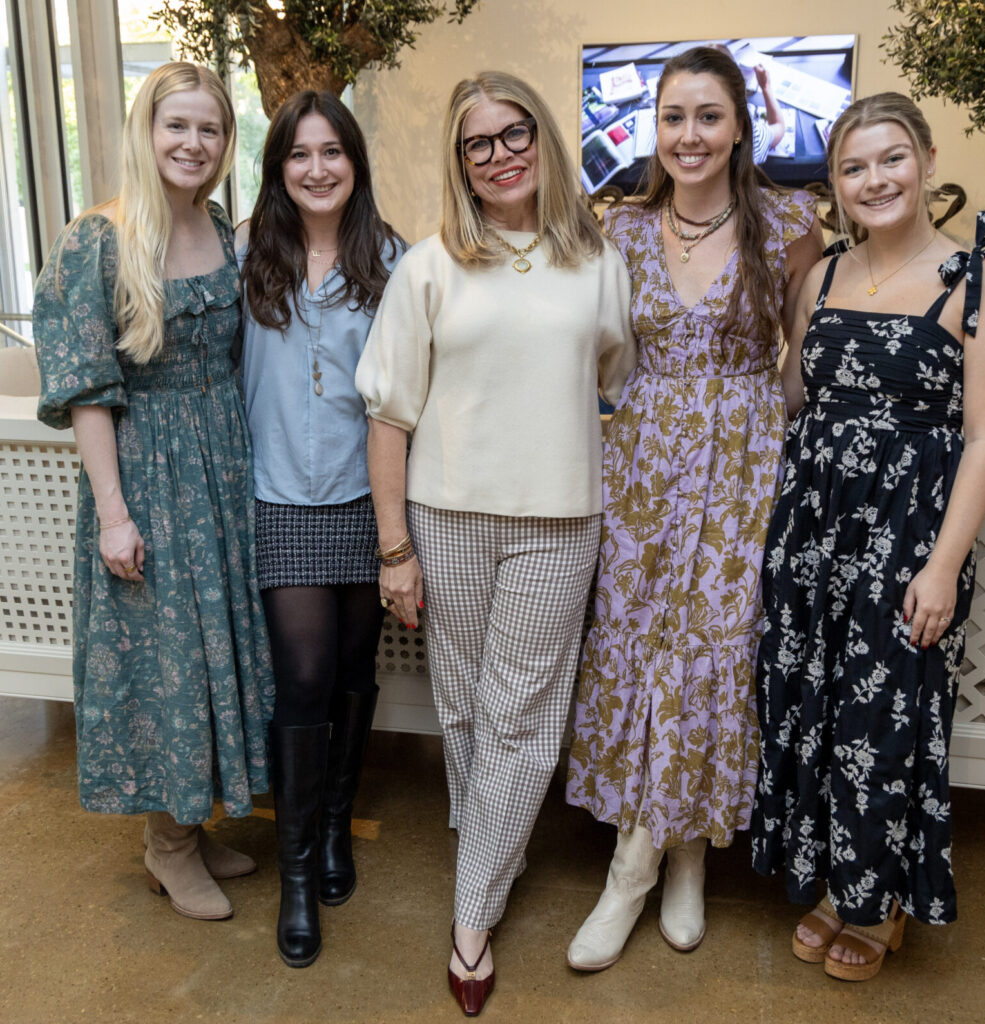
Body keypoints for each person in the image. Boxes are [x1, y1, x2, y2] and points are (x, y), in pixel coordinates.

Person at [355, 71, 636, 1016]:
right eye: (478, 143)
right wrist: (395, 549)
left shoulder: (596, 261)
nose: (500, 153)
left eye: (514, 133)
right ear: (459, 162)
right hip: (444, 515)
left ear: (544, 141)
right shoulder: (429, 265)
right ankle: (495, 851)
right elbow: (389, 416)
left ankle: (470, 912)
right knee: (467, 709)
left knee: (520, 716)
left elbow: (610, 374)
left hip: (559, 519)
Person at [564, 46, 823, 970]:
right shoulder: (621, 228)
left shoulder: (789, 220)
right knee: (640, 647)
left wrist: (768, 440)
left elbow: (805, 358)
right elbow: (597, 351)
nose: (689, 135)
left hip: (743, 462)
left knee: (709, 651)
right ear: (653, 126)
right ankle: (670, 857)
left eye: (707, 116)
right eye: (673, 116)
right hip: (640, 468)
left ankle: (656, 867)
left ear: (741, 125)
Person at [750, 92, 985, 981]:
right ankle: (830, 884)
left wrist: (942, 567)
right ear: (834, 184)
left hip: (905, 540)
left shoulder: (978, 279)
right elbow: (793, 402)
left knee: (882, 716)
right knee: (816, 709)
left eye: (891, 158)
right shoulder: (819, 275)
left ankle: (877, 899)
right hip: (812, 531)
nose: (874, 179)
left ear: (927, 160)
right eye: (853, 167)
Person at [32, 62, 273, 922]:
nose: (193, 144)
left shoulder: (217, 226)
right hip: (144, 475)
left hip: (222, 468)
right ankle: (167, 848)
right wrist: (113, 514)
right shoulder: (97, 237)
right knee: (163, 667)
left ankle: (192, 825)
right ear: (146, 129)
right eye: (177, 126)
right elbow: (88, 388)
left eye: (209, 129)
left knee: (213, 661)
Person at [236, 90, 403, 968]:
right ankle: (296, 875)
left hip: (365, 498)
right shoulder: (245, 257)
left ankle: (335, 822)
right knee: (300, 674)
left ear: (354, 162)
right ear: (278, 170)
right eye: (298, 154)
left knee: (348, 668)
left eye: (331, 151)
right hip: (278, 499)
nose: (316, 169)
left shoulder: (394, 260)